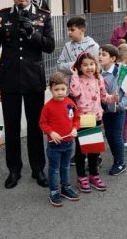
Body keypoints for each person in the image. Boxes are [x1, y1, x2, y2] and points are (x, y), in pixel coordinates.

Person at [0, 0, 55, 189]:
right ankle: (14, 170)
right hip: (11, 80)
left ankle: (38, 169)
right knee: (13, 128)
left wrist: (32, 34)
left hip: (33, 78)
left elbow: (50, 46)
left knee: (35, 127)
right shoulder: (2, 15)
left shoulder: (43, 15)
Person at [69, 52, 117, 193]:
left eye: (91, 64)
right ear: (79, 67)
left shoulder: (99, 78)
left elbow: (103, 96)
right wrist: (74, 75)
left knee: (94, 149)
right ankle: (81, 176)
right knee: (81, 150)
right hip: (82, 119)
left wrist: (112, 98)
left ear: (96, 65)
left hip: (95, 118)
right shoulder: (77, 79)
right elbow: (75, 93)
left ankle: (94, 175)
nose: (89, 67)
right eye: (84, 65)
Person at [39, 72, 80, 207]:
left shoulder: (70, 103)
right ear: (50, 89)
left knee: (66, 166)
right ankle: (54, 191)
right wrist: (51, 132)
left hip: (69, 143)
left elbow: (76, 119)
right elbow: (42, 123)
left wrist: (75, 128)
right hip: (54, 145)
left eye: (63, 89)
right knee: (54, 169)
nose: (60, 92)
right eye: (56, 90)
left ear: (67, 88)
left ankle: (66, 188)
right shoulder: (48, 106)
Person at [98, 44, 127, 176]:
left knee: (116, 136)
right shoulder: (98, 73)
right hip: (105, 110)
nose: (100, 57)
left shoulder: (121, 72)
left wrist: (121, 106)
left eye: (103, 55)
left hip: (118, 111)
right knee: (109, 135)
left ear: (113, 58)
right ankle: (115, 158)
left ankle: (120, 162)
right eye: (99, 54)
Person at [57, 16, 99, 82]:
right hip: (72, 85)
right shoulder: (67, 46)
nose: (69, 32)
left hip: (89, 85)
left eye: (72, 30)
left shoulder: (93, 46)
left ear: (82, 30)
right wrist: (75, 64)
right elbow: (59, 65)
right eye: (68, 30)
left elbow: (98, 67)